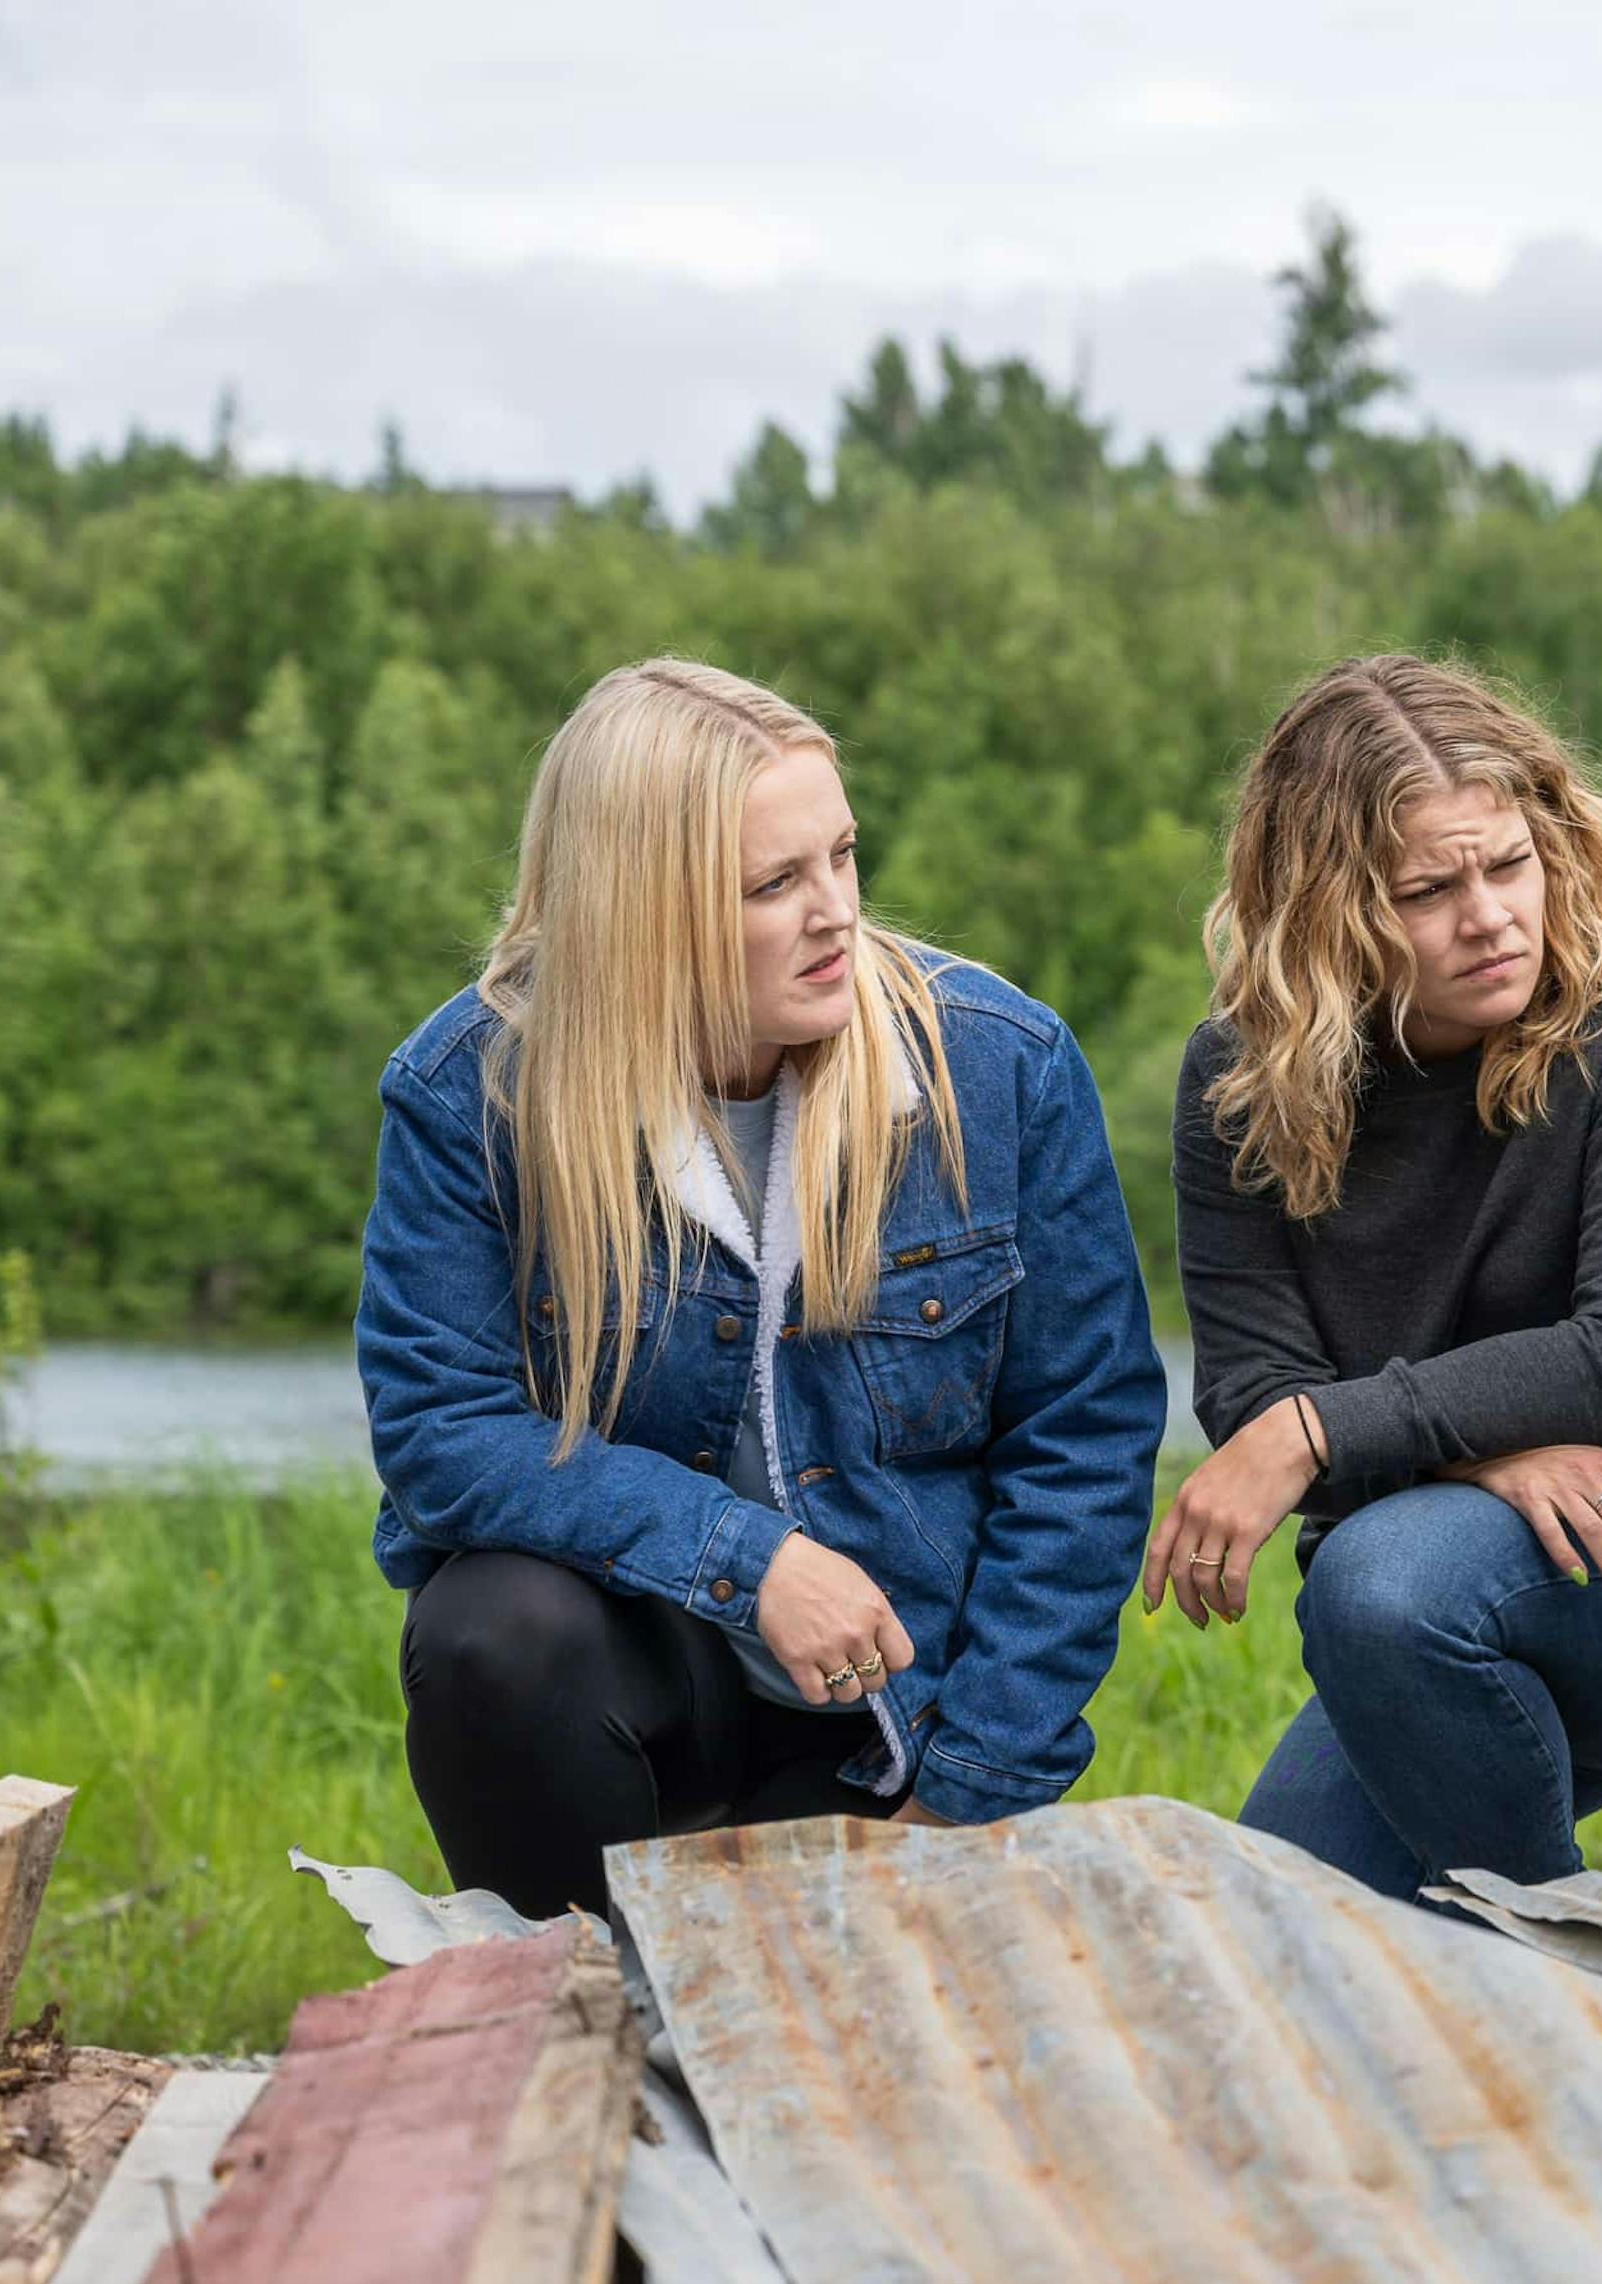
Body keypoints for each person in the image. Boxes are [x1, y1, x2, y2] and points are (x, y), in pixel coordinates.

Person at [357, 658, 1161, 1918]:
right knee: (486, 1632)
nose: (837, 911)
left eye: (842, 856)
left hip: (893, 1713)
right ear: (645, 909)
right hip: (643, 1678)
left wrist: (965, 1792)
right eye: (775, 883)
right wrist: (747, 1557)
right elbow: (439, 1431)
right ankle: (577, 2007)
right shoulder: (475, 1087)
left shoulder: (999, 1070)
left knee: (848, 2067)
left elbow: (1087, 1441)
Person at [1148, 655, 1602, 1900]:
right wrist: (1480, 1458)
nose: (1489, 914)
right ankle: (1576, 1997)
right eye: (1426, 890)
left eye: (1507, 864)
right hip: (1439, 1575)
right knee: (1288, 1928)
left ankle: (1551, 1983)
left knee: (1375, 1579)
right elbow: (1252, 1389)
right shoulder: (1241, 1083)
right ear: (1325, 911)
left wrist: (1331, 1430)